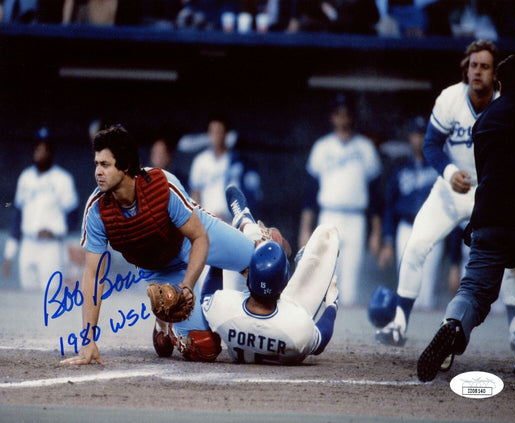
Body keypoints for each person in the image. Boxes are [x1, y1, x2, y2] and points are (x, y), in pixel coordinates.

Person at [59, 124, 256, 365]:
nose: (98, 172)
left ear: (125, 166)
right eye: (96, 164)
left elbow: (199, 238)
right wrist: (88, 340)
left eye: (105, 165)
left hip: (193, 236)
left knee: (261, 262)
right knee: (203, 348)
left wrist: (187, 287)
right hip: (160, 268)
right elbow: (92, 275)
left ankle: (246, 225)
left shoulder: (161, 185)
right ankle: (166, 323)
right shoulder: (97, 210)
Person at [375, 39, 515, 349]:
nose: (477, 72)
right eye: (473, 65)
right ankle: (399, 323)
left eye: (485, 66)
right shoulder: (449, 99)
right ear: (465, 70)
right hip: (451, 188)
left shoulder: (506, 102)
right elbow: (430, 144)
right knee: (416, 244)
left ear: (496, 74)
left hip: (490, 194)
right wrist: (448, 172)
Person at [417, 53, 515, 382]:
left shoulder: (485, 120)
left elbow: (487, 176)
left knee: (475, 290)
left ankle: (454, 324)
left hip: (490, 216)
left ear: (500, 84)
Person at [201, 185, 339, 364]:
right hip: (287, 317)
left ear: (249, 278)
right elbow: (322, 337)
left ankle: (246, 227)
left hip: (242, 316)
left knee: (252, 242)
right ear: (284, 284)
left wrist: (223, 255)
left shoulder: (224, 307)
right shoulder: (299, 324)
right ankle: (249, 229)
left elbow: (208, 294)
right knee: (327, 233)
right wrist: (332, 306)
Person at [298, 94, 382, 307]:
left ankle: (350, 333)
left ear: (352, 117)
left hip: (355, 218)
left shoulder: (365, 148)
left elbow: (375, 195)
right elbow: (310, 193)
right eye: (338, 114)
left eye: (346, 114)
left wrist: (376, 231)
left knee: (352, 275)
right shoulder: (322, 147)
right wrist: (305, 228)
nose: (343, 119)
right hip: (329, 214)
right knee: (327, 274)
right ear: (332, 117)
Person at [2, 127, 79, 291]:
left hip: (50, 247)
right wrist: (9, 255)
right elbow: (18, 218)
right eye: (37, 147)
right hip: (28, 244)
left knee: (50, 298)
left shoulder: (62, 179)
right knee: (27, 299)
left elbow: (73, 216)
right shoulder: (25, 177)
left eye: (44, 148)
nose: (40, 152)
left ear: (51, 151)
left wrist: (55, 231)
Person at [377, 115, 441, 311]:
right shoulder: (400, 170)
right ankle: (403, 329)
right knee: (406, 284)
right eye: (415, 134)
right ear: (409, 137)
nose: (419, 139)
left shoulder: (440, 167)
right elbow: (389, 207)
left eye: (423, 134)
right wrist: (387, 241)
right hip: (406, 227)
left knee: (427, 289)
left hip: (432, 229)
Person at [188, 113, 261, 224]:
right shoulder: (200, 161)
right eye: (213, 132)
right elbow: (195, 194)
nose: (216, 136)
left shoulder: (237, 161)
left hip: (232, 220)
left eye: (219, 132)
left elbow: (249, 194)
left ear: (226, 134)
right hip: (207, 220)